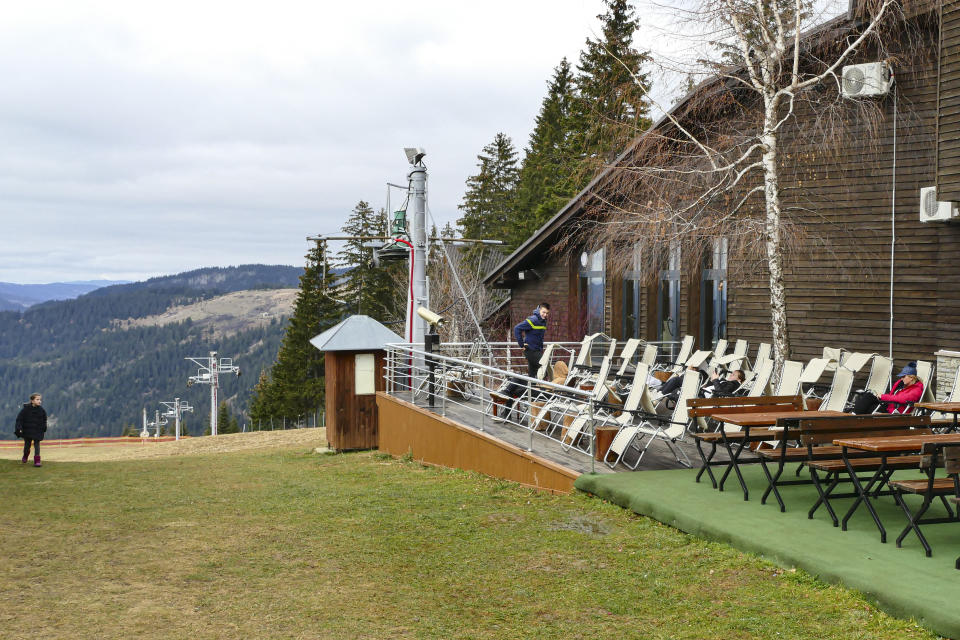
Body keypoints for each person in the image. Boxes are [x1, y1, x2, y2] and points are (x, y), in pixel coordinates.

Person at [852, 361, 924, 415]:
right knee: (868, 396)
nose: (901, 379)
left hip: (894, 412)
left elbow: (902, 399)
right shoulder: (904, 385)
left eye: (903, 376)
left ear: (911, 378)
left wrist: (883, 396)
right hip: (889, 406)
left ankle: (852, 418)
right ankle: (853, 416)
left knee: (869, 408)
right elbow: (892, 394)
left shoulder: (917, 389)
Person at [514, 303, 550, 379]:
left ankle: (531, 389)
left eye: (547, 313)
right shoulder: (533, 320)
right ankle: (542, 389)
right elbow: (517, 328)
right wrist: (522, 344)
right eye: (543, 312)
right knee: (544, 370)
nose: (545, 315)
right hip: (530, 350)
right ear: (539, 310)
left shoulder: (543, 321)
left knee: (532, 375)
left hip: (537, 350)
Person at [15, 392, 47, 467]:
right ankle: (25, 455)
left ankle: (37, 461)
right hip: (27, 431)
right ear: (32, 401)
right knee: (27, 446)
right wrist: (19, 428)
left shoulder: (42, 410)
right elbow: (19, 419)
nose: (40, 401)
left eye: (40, 399)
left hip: (37, 431)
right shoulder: (25, 410)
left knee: (37, 445)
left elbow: (44, 420)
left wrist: (44, 428)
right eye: (37, 399)